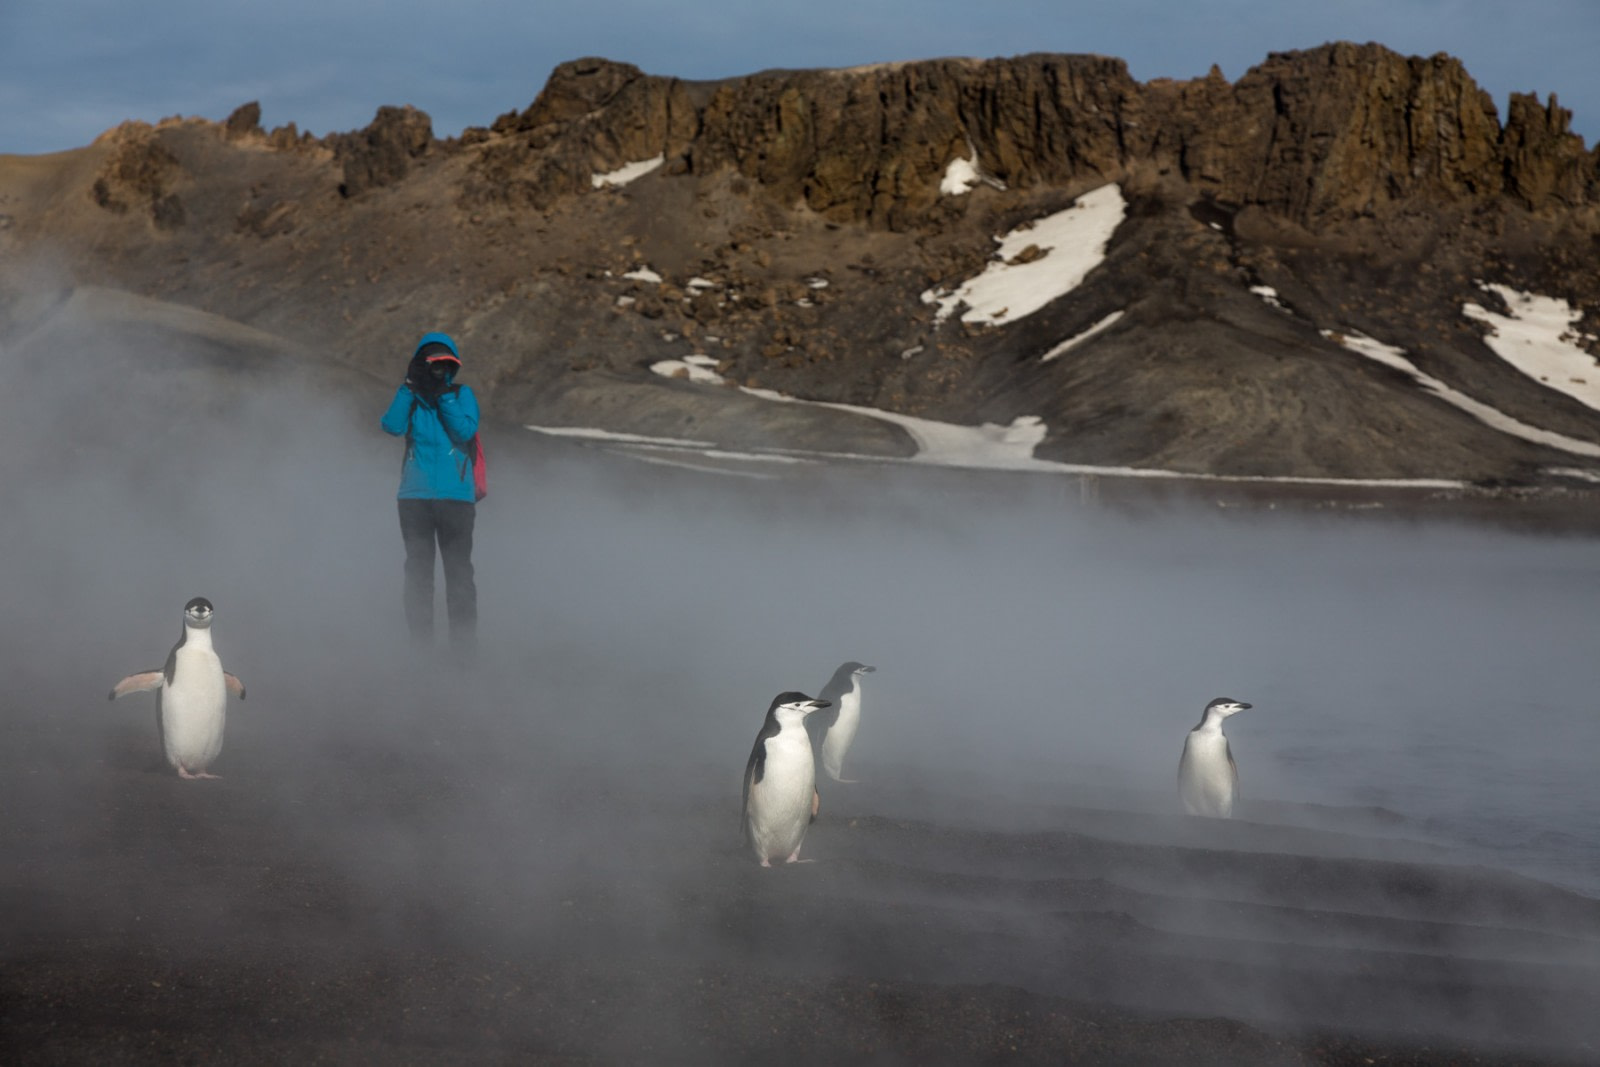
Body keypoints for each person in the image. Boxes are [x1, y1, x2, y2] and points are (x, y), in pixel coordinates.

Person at [380, 332, 481, 651]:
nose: (439, 372)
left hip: (456, 500)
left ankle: (463, 650)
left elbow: (465, 430)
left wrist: (444, 396)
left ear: (453, 366)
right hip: (414, 499)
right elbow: (391, 425)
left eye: (444, 365)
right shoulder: (411, 397)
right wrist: (410, 386)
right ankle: (421, 648)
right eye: (431, 365)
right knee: (419, 574)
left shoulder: (462, 394)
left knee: (459, 575)